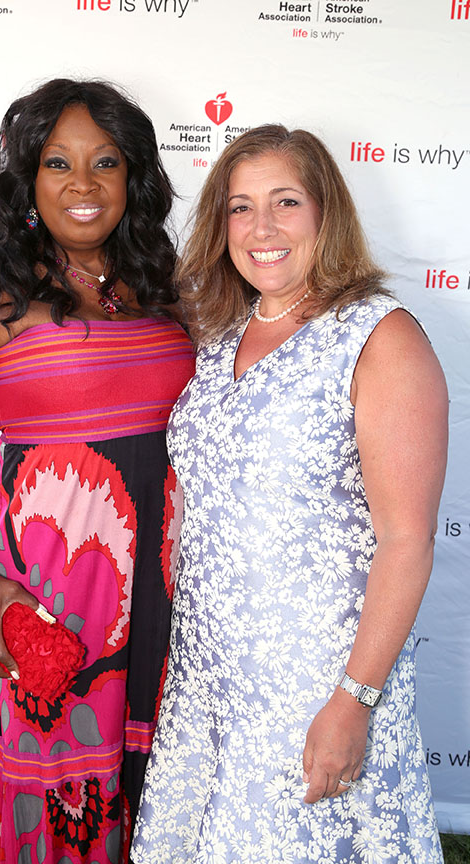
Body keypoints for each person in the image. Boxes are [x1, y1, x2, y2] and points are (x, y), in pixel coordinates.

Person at [131, 124, 447, 863]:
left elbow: (406, 542)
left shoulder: (380, 338)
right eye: (240, 208)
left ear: (326, 213)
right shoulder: (221, 334)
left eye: (286, 202)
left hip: (314, 682)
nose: (262, 228)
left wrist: (352, 701)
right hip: (210, 674)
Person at [0, 78, 195, 864]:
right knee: (60, 780)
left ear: (133, 176)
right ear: (28, 178)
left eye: (105, 162)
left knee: (166, 770)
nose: (83, 184)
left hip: (171, 582)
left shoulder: (167, 282)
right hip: (53, 588)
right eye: (58, 163)